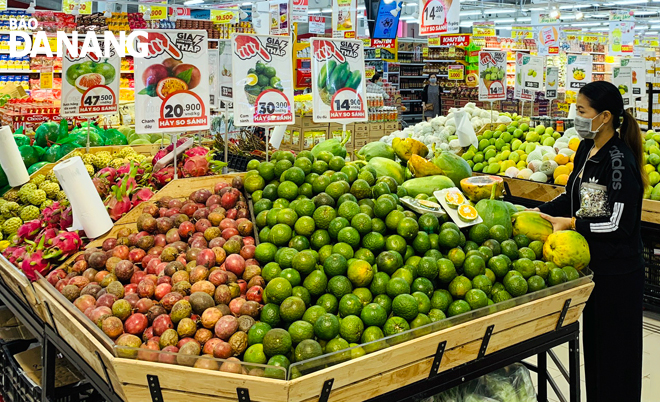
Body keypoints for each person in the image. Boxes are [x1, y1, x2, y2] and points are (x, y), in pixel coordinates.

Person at [535, 81, 646, 401]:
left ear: (605, 116)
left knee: (617, 360)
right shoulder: (587, 149)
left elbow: (618, 224)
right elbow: (575, 197)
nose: (576, 116)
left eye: (582, 111)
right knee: (596, 352)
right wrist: (538, 213)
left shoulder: (618, 161)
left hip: (619, 274)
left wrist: (572, 224)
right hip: (593, 267)